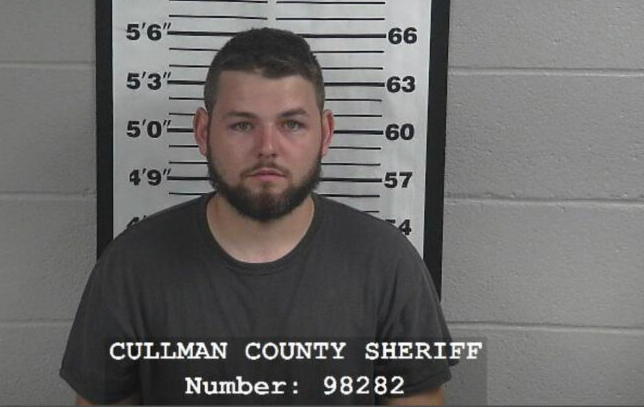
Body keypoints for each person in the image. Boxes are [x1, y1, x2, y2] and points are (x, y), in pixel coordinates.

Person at [60, 28, 456, 405]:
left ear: (325, 132)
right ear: (203, 132)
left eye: (292, 124)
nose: (267, 147)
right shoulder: (131, 267)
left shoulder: (388, 263)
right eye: (243, 125)